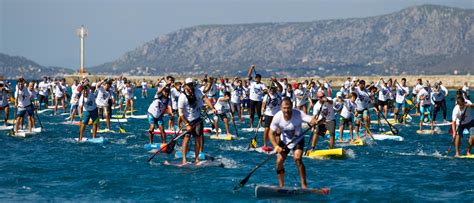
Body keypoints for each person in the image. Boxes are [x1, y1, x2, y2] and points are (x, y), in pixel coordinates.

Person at [268, 98, 316, 189]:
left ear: (292, 107)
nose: (286, 110)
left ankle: (304, 185)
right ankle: (281, 186)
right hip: (285, 141)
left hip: (298, 140)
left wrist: (314, 121)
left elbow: (309, 119)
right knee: (279, 161)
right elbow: (270, 133)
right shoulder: (277, 117)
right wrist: (276, 146)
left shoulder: (298, 113)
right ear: (281, 108)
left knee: (297, 158)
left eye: (288, 108)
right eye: (284, 108)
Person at [178, 78, 215, 165]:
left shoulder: (197, 91)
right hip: (186, 120)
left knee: (198, 138)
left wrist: (212, 107)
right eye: (189, 85)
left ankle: (197, 158)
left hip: (197, 119)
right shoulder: (182, 97)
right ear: (185, 86)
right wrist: (187, 124)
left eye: (192, 85)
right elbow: (180, 113)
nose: (191, 87)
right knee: (186, 138)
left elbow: (205, 98)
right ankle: (184, 159)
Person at [260, 79, 283, 151]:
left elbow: (281, 88)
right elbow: (263, 105)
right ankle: (265, 144)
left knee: (278, 131)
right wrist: (262, 112)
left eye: (273, 88)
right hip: (269, 114)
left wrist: (276, 81)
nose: (272, 90)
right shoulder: (266, 96)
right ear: (268, 89)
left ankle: (277, 145)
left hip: (278, 115)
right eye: (270, 88)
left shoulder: (278, 93)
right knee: (267, 129)